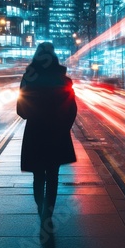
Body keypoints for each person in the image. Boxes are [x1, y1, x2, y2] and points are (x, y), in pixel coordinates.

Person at [17, 42, 77, 222]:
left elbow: (21, 110)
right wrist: (63, 127)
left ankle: (40, 206)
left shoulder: (29, 79)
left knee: (38, 174)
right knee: (52, 175)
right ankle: (48, 213)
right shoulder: (64, 80)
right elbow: (72, 110)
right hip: (57, 133)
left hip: (35, 133)